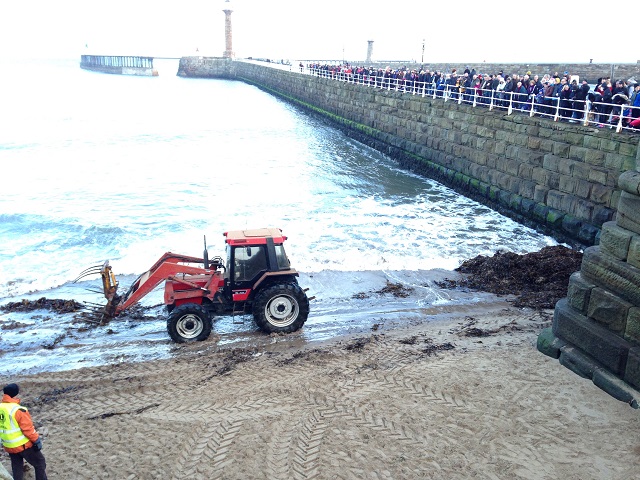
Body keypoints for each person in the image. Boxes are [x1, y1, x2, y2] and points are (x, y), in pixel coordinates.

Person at [0, 384, 48, 480]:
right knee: (40, 463)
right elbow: (28, 429)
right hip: (22, 445)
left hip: (8, 445)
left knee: (17, 466)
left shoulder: (1, 407)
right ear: (16, 394)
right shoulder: (18, 410)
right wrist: (36, 440)